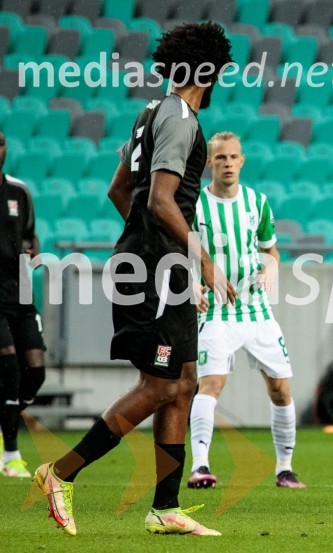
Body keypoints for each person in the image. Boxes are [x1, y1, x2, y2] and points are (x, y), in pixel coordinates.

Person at [33, 22, 235, 537]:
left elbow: (118, 189)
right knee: (159, 384)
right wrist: (199, 260)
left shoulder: (151, 113)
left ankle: (165, 507)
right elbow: (157, 199)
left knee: (184, 384)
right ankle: (58, 472)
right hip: (154, 271)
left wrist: (157, 249)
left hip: (160, 265)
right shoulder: (180, 118)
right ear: (208, 71)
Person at [187, 132, 305, 490]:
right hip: (216, 312)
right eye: (220, 158)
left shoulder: (257, 202)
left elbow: (271, 251)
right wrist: (191, 283)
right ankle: (201, 465)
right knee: (211, 383)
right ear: (210, 162)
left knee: (280, 389)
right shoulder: (194, 204)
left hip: (256, 311)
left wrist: (271, 268)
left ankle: (284, 468)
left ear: (242, 160)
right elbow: (180, 252)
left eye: (233, 157)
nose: (227, 164)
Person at [0, 130, 47, 478]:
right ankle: (11, 453)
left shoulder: (19, 191)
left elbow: (31, 234)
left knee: (36, 372)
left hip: (21, 293)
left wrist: (32, 248)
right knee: (10, 372)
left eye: (1, 142)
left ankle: (7, 420)